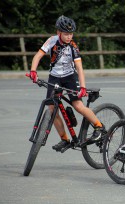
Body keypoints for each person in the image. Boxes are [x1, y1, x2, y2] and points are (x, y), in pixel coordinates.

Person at [29, 15, 104, 151]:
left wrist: (82, 86)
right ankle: (65, 139)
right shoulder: (52, 41)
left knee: (78, 106)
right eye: (66, 34)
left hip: (70, 77)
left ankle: (99, 126)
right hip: (55, 77)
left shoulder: (73, 47)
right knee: (52, 110)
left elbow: (80, 68)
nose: (69, 37)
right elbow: (38, 56)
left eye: (71, 34)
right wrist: (33, 71)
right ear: (59, 33)